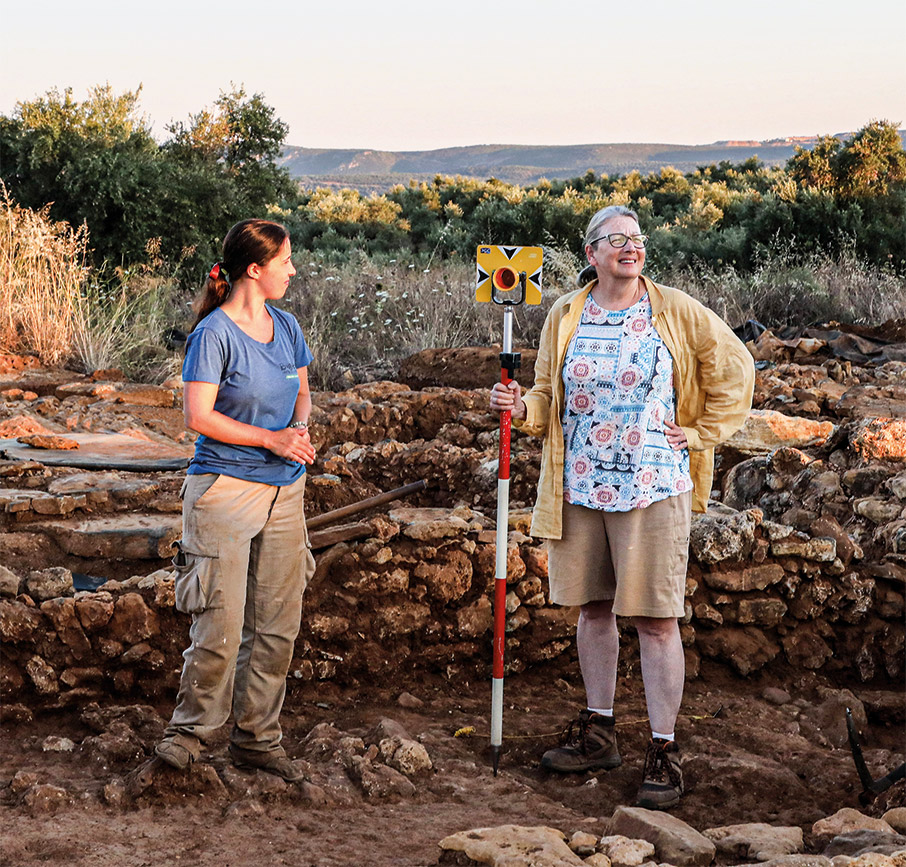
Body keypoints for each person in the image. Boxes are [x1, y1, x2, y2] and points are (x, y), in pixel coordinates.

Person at [490, 205, 754, 808]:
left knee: (657, 620)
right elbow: (543, 395)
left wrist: (703, 430)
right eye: (616, 240)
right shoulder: (566, 312)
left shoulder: (674, 309)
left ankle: (663, 748)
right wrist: (517, 406)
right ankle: (600, 729)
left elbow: (735, 364)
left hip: (654, 484)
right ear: (591, 254)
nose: (630, 248)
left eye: (636, 239)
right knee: (594, 610)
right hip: (579, 482)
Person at [154, 218, 317, 782]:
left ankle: (257, 738)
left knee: (276, 625)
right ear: (256, 268)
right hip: (223, 490)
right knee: (219, 626)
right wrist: (271, 439)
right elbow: (198, 417)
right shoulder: (213, 334)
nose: (293, 270)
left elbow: (302, 392)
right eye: (285, 262)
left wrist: (296, 431)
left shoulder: (288, 325)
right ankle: (191, 734)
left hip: (285, 493)